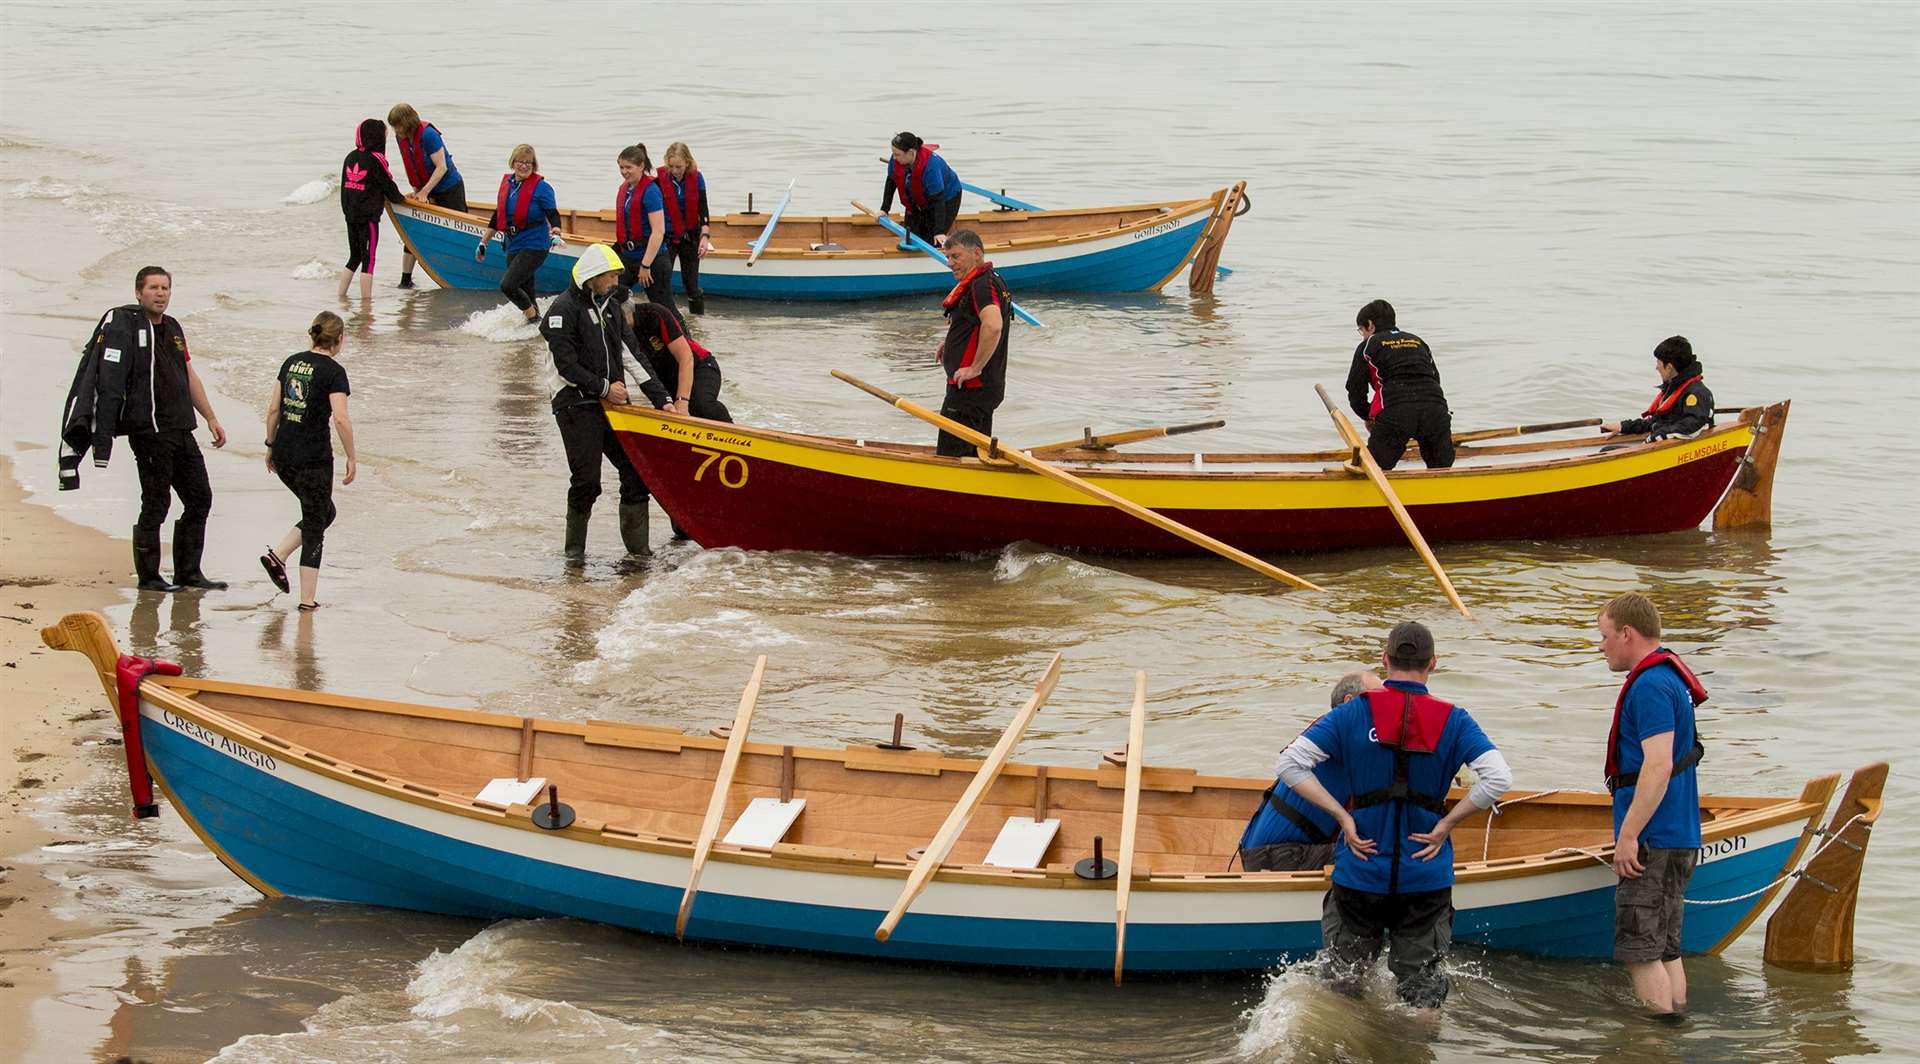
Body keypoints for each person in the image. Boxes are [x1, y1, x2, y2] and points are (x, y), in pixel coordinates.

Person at [1274, 621, 1512, 1011]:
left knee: (1343, 985)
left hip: (1360, 869)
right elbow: (1498, 778)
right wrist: (1447, 824)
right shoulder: (1455, 720)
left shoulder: (1352, 714)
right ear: (1433, 664)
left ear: (1385, 660)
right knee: (1423, 994)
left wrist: (1342, 816)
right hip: (1424, 873)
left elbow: (1290, 764)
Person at [85, 267, 229, 592]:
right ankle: (149, 577)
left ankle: (188, 573)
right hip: (149, 431)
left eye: (165, 288)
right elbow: (106, 379)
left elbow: (188, 374)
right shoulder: (127, 330)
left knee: (199, 498)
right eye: (153, 288)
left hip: (181, 428)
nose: (160, 293)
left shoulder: (174, 328)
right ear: (139, 293)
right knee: (156, 502)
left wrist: (210, 417)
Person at [1597, 591, 1707, 1017]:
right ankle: (1676, 1024)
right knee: (1667, 950)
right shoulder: (1672, 679)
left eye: (1604, 636)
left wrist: (1628, 836)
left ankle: (1653, 1046)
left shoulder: (1649, 685)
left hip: (1653, 841)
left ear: (1627, 633)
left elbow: (1658, 766)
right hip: (1680, 835)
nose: (1601, 646)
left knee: (1641, 953)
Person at [541, 244, 670, 561]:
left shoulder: (611, 308)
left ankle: (639, 557)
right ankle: (574, 557)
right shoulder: (563, 309)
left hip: (610, 403)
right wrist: (603, 388)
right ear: (593, 278)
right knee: (587, 481)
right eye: (611, 275)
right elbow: (566, 367)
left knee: (636, 473)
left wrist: (663, 401)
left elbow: (632, 357)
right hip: (574, 402)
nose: (615, 281)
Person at [1238, 671, 1385, 872]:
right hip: (1275, 855)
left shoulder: (1358, 738)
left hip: (1278, 851)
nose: (1384, 704)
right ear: (1349, 702)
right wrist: (1343, 817)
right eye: (1375, 697)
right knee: (1380, 856)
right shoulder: (1337, 731)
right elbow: (1287, 765)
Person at [260, 312, 358, 611]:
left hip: (285, 453)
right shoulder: (333, 372)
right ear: (339, 339)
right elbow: (340, 417)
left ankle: (278, 555)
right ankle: (306, 601)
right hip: (313, 458)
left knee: (323, 512)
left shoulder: (292, 362)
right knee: (317, 521)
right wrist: (352, 456)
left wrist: (270, 444)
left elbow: (274, 409)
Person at [1345, 299, 1454, 470]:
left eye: (1361, 330)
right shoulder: (1418, 341)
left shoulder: (1367, 346)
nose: (1362, 335)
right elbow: (1435, 379)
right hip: (1435, 410)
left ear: (1370, 325)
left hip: (1395, 412)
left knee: (1376, 467)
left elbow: (1355, 391)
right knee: (1441, 467)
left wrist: (1368, 416)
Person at [932, 229, 1009, 457]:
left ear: (977, 253)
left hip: (970, 391)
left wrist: (975, 367)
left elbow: (993, 325)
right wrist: (950, 343)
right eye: (947, 257)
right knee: (975, 456)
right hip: (981, 389)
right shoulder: (988, 280)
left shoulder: (981, 286)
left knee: (951, 458)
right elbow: (973, 322)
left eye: (956, 256)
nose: (950, 263)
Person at [476, 144, 561, 323]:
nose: (524, 166)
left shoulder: (542, 188)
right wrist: (483, 243)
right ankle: (535, 326)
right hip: (513, 243)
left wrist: (556, 232)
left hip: (535, 244)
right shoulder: (508, 185)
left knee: (508, 285)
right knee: (526, 288)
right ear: (513, 163)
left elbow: (552, 213)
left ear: (534, 165)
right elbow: (497, 217)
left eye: (528, 162)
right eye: (520, 161)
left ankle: (532, 317)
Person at [387, 103, 467, 288]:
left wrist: (425, 192)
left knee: (457, 233)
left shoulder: (429, 135)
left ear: (408, 122)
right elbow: (410, 164)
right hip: (423, 190)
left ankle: (460, 273)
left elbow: (441, 167)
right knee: (413, 231)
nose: (395, 130)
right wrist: (417, 190)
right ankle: (405, 280)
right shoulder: (401, 137)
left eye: (398, 125)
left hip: (449, 188)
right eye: (393, 126)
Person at [629, 296, 731, 422]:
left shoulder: (654, 313)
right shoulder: (615, 329)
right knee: (668, 415)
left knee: (701, 405)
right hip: (665, 378)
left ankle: (737, 435)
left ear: (627, 311)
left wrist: (682, 400)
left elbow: (685, 357)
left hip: (698, 366)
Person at [337, 119, 406, 301]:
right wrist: (403, 200)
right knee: (369, 261)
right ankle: (366, 306)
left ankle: (340, 296)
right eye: (384, 135)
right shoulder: (376, 159)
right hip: (368, 218)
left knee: (354, 257)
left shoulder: (350, 156)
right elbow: (388, 187)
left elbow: (345, 187)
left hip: (350, 215)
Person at [1601, 337, 1715, 441]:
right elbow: (1656, 423)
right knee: (1608, 449)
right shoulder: (1672, 388)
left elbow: (1693, 425)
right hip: (1664, 445)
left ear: (1669, 367)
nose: (1656, 367)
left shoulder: (1697, 393)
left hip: (1676, 451)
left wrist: (1656, 437)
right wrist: (1623, 427)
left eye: (1658, 363)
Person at [613, 144, 671, 311]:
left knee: (663, 307)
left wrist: (645, 266)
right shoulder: (626, 189)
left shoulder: (651, 191)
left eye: (628, 167)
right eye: (621, 167)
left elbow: (658, 232)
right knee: (611, 296)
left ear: (641, 166)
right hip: (628, 257)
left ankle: (684, 337)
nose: (624, 172)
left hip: (652, 260)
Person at [881, 132, 961, 247]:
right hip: (919, 197)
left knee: (933, 241)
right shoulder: (896, 159)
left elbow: (938, 200)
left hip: (946, 198)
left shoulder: (931, 167)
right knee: (911, 237)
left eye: (897, 154)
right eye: (893, 154)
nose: (894, 157)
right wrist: (884, 209)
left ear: (911, 153)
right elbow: (891, 182)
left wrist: (939, 232)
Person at [658, 142, 710, 315]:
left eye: (679, 166)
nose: (675, 170)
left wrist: (705, 236)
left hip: (690, 237)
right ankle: (666, 319)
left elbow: (703, 209)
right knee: (663, 283)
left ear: (687, 162)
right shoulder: (660, 179)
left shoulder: (697, 178)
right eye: (671, 166)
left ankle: (697, 322)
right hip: (668, 238)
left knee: (692, 285)